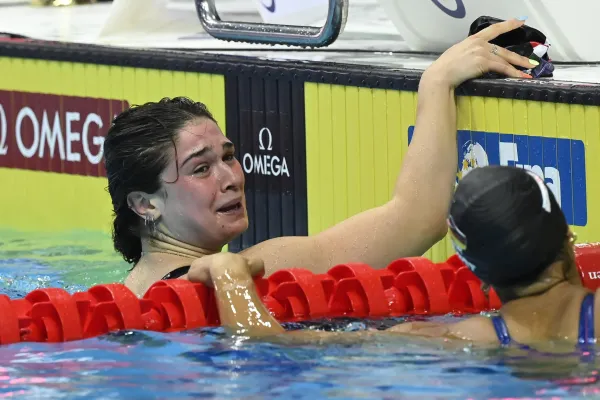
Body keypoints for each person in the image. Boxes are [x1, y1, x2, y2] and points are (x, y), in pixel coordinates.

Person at [103, 18, 535, 297]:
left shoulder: (129, 293)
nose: (231, 177)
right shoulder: (256, 271)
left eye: (228, 157)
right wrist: (437, 82)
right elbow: (418, 219)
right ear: (145, 204)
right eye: (201, 168)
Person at [192, 165, 600, 347]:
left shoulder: (460, 339)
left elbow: (265, 345)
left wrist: (230, 276)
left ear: (477, 274)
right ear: (568, 237)